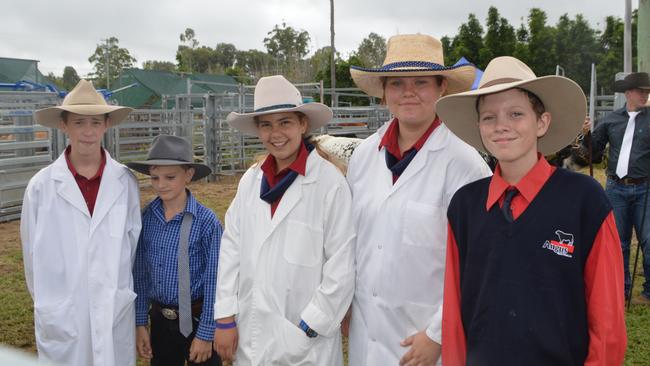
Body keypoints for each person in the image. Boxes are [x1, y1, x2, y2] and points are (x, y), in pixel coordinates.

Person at [439, 56, 627, 365]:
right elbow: (454, 313)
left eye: (516, 114)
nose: (501, 126)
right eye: (489, 117)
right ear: (479, 127)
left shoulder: (585, 200)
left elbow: (607, 321)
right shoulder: (464, 205)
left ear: (542, 122)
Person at [346, 34, 492, 366]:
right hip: (366, 331)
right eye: (396, 83)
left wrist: (438, 334)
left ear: (442, 88)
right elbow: (352, 241)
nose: (408, 91)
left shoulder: (465, 164)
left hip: (424, 340)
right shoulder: (364, 156)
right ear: (384, 92)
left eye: (421, 82)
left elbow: (479, 259)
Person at [213, 75, 355, 365]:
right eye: (266, 124)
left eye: (285, 122)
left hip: (303, 338)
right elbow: (231, 249)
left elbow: (342, 262)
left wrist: (312, 322)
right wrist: (225, 316)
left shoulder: (329, 182)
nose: (275, 133)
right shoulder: (251, 181)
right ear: (257, 129)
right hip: (252, 332)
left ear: (303, 124)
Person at [21, 79, 142, 365]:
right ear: (63, 125)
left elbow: (132, 245)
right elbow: (31, 258)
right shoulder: (41, 187)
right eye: (79, 123)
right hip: (63, 313)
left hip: (114, 306)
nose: (88, 132)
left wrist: (116, 290)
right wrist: (51, 304)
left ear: (106, 125)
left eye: (95, 122)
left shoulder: (125, 182)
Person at [128, 135, 223, 366]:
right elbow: (140, 273)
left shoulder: (207, 222)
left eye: (170, 177)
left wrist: (206, 333)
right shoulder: (146, 218)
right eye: (155, 177)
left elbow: (215, 280)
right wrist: (140, 323)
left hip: (198, 319)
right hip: (161, 320)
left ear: (188, 175)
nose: (161, 184)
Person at [585, 72, 650, 304]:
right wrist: (586, 135)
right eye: (641, 90)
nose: (645, 95)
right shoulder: (611, 120)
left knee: (648, 239)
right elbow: (593, 151)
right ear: (628, 93)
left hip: (645, 188)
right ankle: (621, 290)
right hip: (616, 187)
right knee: (618, 241)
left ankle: (649, 292)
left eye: (647, 91)